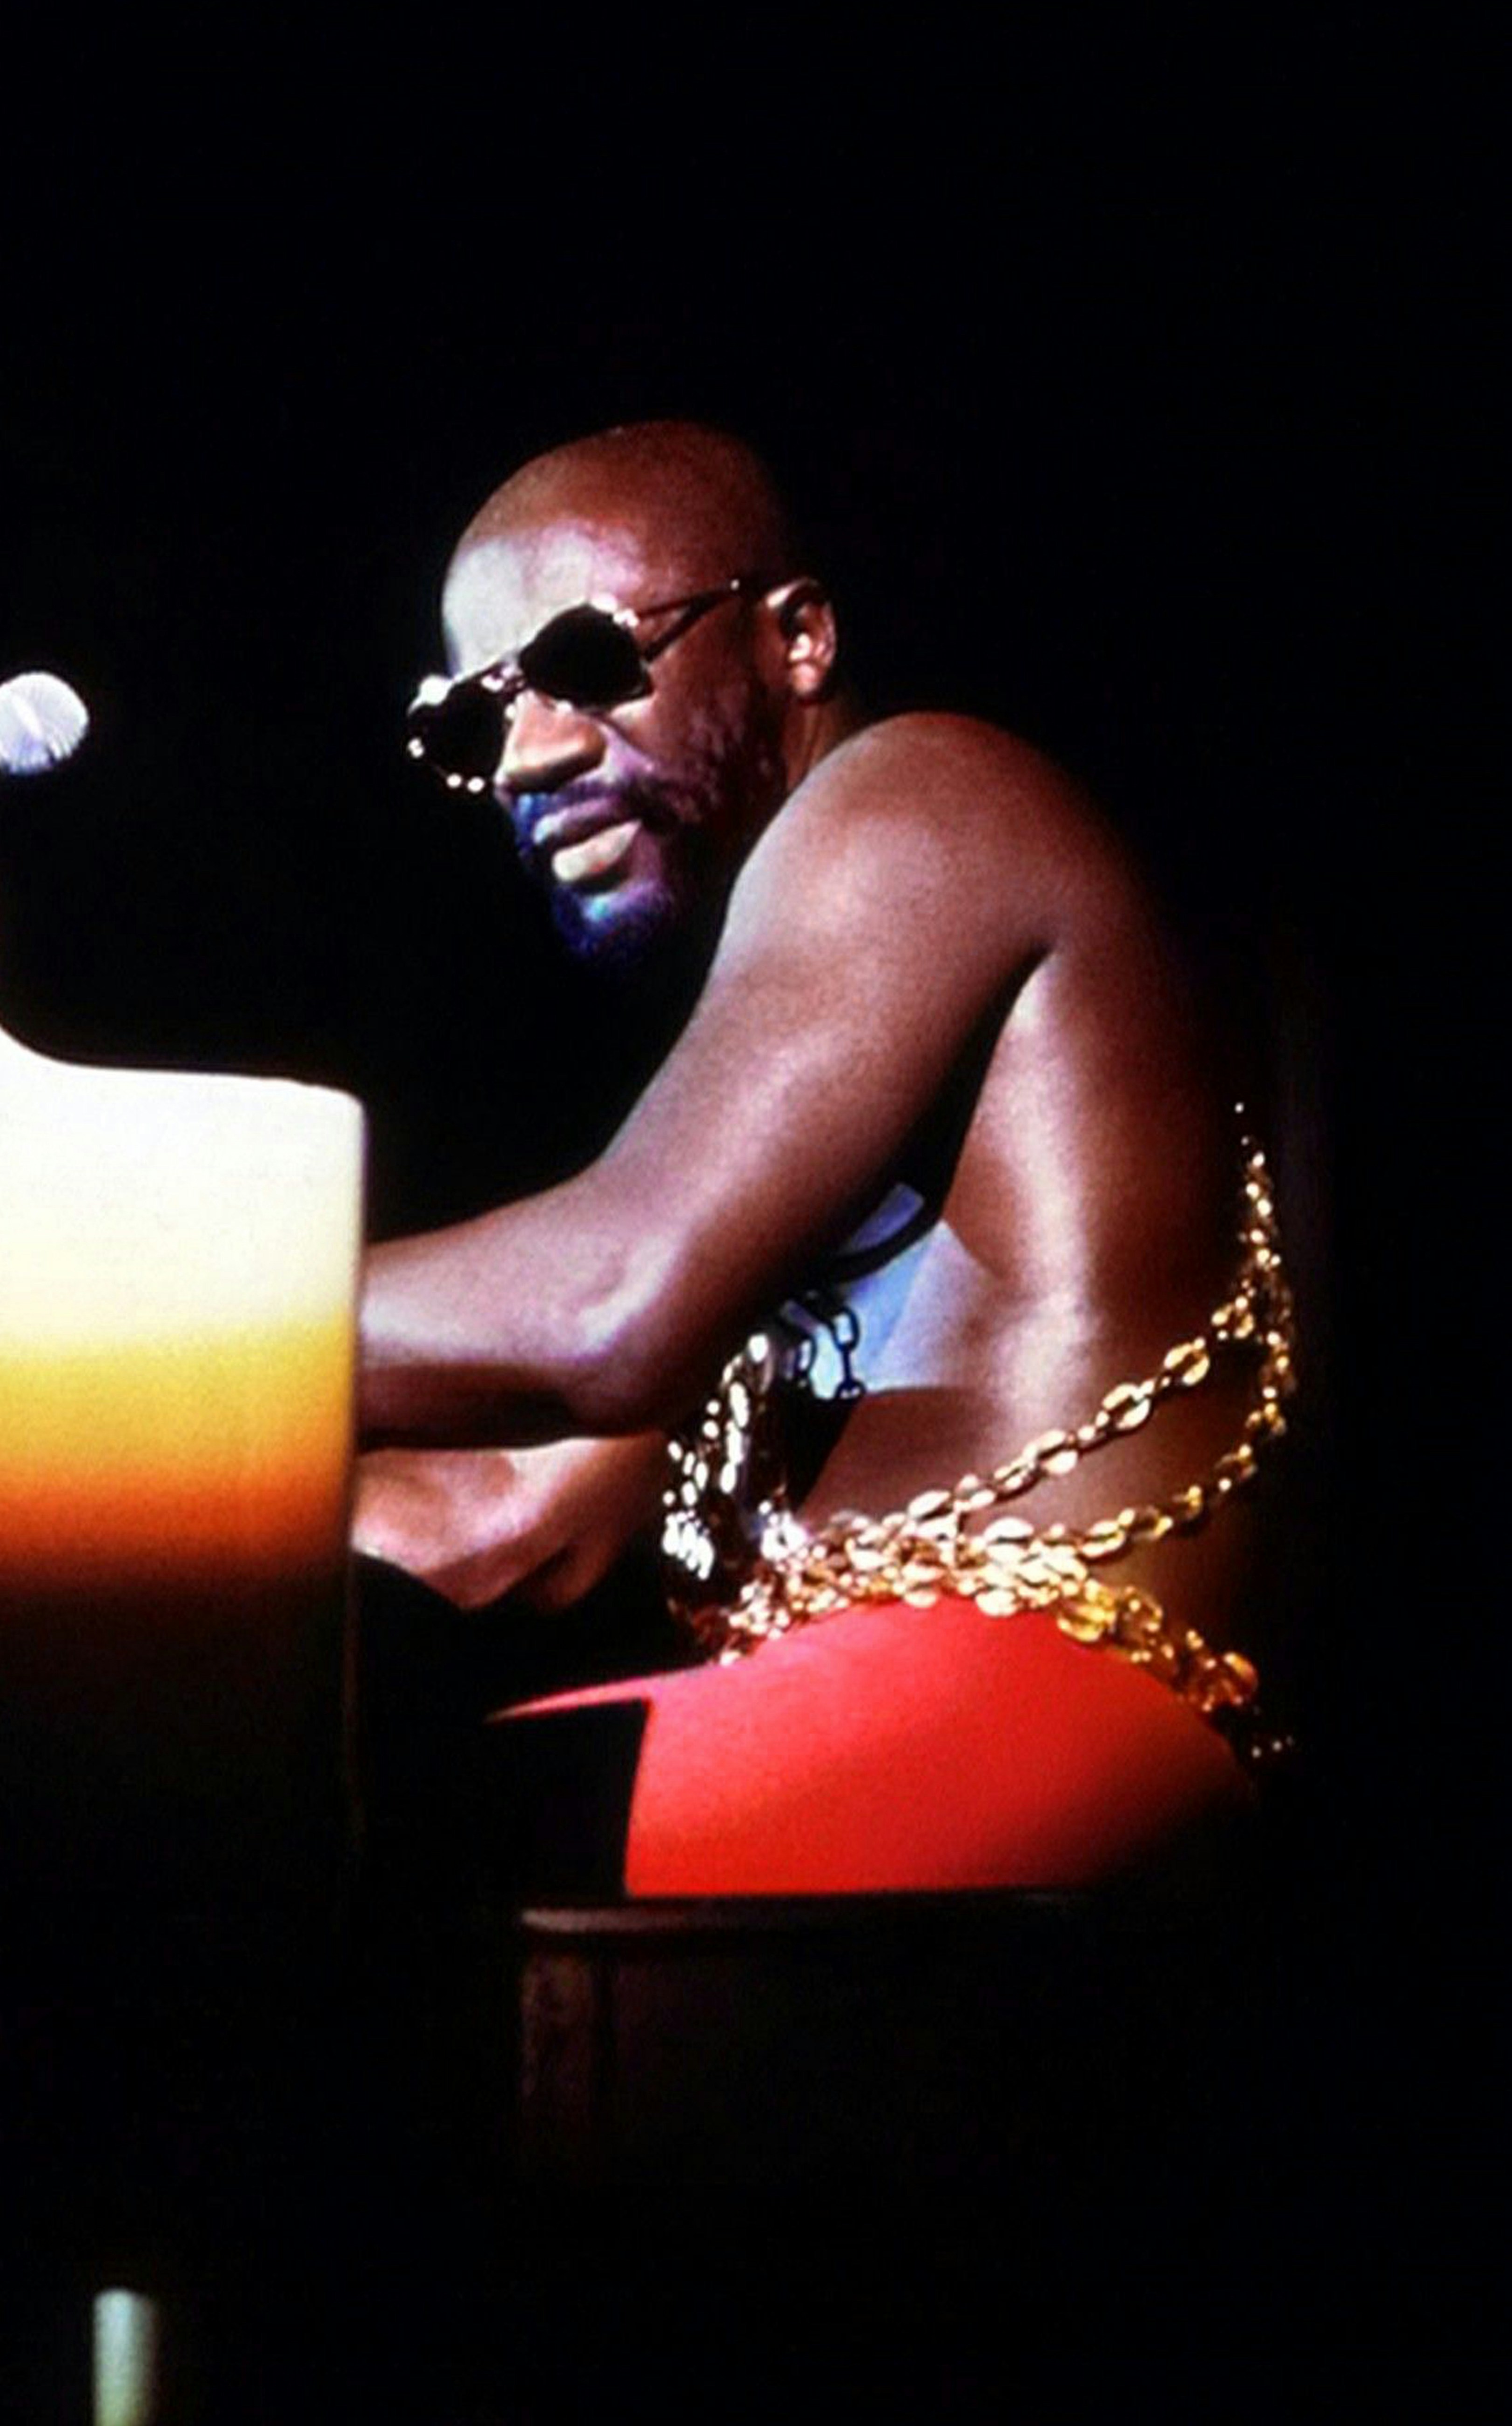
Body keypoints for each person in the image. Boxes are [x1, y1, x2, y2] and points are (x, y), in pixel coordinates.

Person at [353, 418, 1292, 1898]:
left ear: (798, 637)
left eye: (591, 660)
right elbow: (506, 1519)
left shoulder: (926, 797)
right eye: (472, 724)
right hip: (870, 1724)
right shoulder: (803, 1047)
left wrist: (148, 1302)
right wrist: (32, 1473)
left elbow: (604, 1304)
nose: (528, 751)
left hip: (1034, 1712)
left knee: (302, 1843)